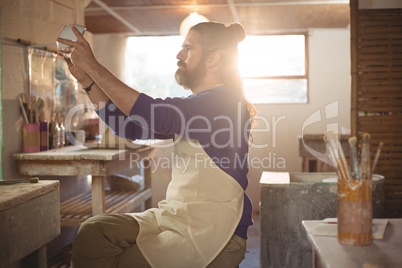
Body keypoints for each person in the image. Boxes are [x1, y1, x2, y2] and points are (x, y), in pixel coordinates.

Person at [57, 21, 256, 268]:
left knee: (120, 261)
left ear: (213, 58)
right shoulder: (199, 103)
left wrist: (94, 67)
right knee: (95, 231)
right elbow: (130, 127)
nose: (179, 54)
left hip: (214, 229)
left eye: (188, 48)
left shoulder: (223, 100)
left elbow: (152, 113)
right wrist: (88, 82)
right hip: (178, 216)